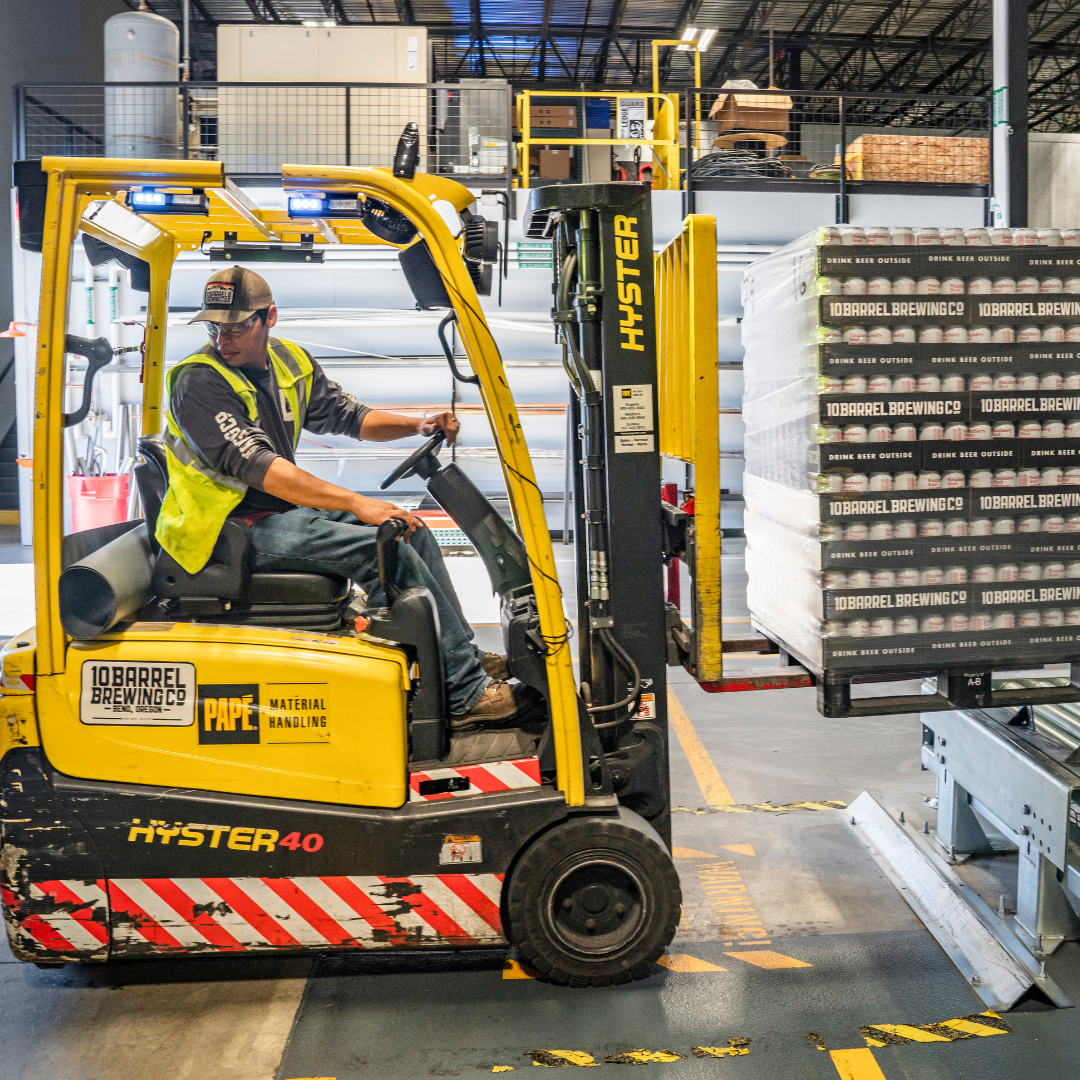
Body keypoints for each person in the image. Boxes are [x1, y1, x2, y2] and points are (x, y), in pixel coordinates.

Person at [156, 266, 530, 728]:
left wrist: (416, 425)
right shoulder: (198, 382)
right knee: (382, 550)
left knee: (412, 533)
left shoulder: (289, 361)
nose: (223, 337)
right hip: (226, 531)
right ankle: (464, 692)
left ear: (269, 317)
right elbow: (261, 468)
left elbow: (348, 416)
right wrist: (356, 502)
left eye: (236, 325)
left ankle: (459, 656)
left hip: (275, 514)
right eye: (214, 326)